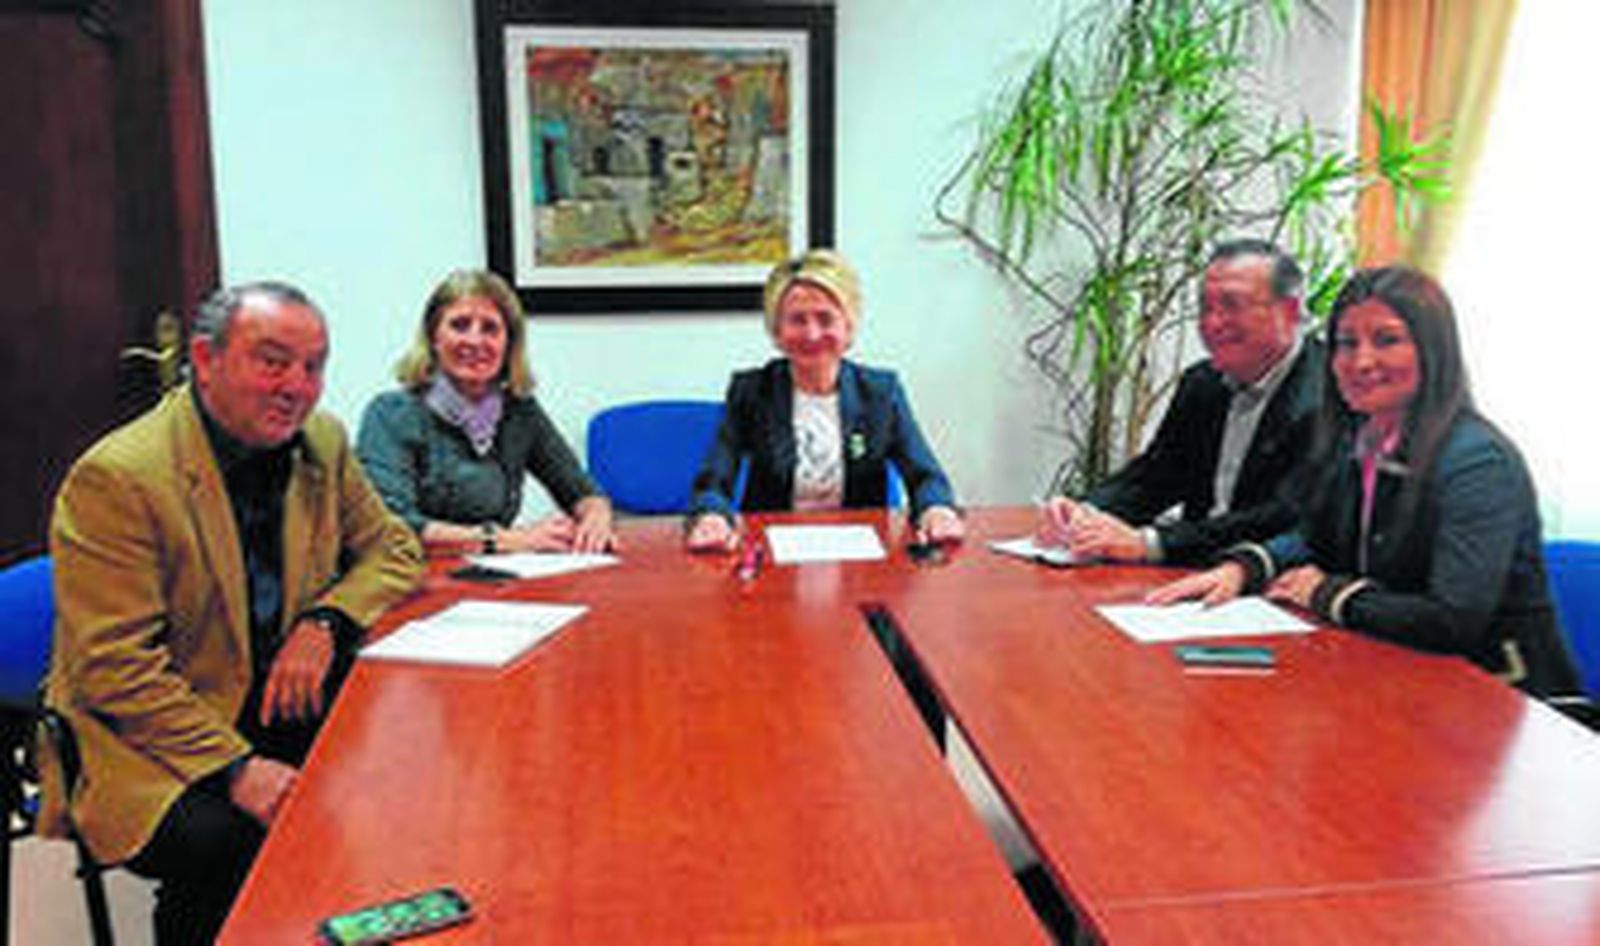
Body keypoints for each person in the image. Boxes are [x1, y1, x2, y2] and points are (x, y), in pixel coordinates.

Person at [41, 281, 424, 945]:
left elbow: (393, 549)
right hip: (146, 734)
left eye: (313, 367)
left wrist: (325, 622)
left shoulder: (321, 442)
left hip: (271, 695)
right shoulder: (120, 478)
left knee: (396, 777)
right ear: (205, 359)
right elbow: (113, 671)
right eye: (272, 361)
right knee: (232, 844)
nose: (297, 387)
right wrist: (237, 770)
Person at [1149, 266, 1580, 697]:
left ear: (1434, 352)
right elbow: (1314, 537)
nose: (1361, 361)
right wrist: (1243, 568)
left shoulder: (1478, 463)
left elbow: (1452, 619)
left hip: (1502, 699)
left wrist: (1328, 594)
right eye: (1346, 344)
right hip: (1398, 675)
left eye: (1387, 340)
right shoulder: (1360, 438)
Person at [1039, 239, 1323, 565]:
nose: (1212, 323)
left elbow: (1281, 517)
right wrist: (1088, 511)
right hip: (1189, 573)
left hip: (1270, 579)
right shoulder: (1202, 383)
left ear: (1288, 311)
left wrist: (1150, 543)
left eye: (1231, 305)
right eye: (1205, 308)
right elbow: (1157, 475)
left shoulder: (1332, 394)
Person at [685, 249, 963, 550]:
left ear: (848, 327)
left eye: (825, 318)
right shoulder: (752, 391)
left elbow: (926, 476)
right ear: (776, 331)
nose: (812, 333)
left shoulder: (881, 392)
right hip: (771, 550)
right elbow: (714, 478)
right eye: (797, 320)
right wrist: (712, 515)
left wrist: (937, 510)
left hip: (861, 555)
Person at [357, 269, 616, 555]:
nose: (475, 340)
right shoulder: (391, 414)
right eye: (460, 325)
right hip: (411, 575)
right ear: (434, 338)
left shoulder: (520, 411)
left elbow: (579, 489)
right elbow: (390, 526)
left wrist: (596, 516)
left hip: (493, 578)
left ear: (509, 344)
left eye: (490, 328)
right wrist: (500, 539)